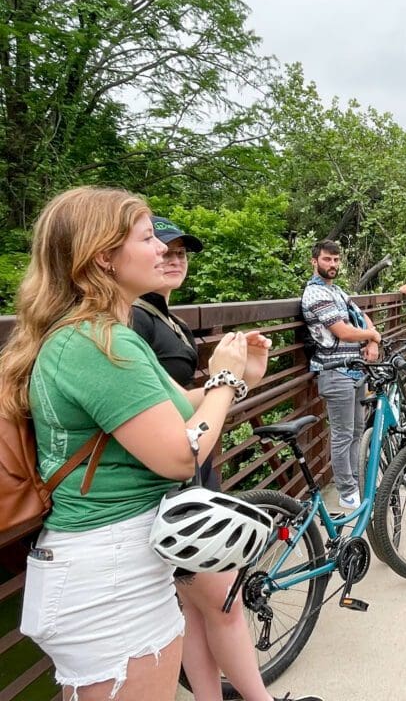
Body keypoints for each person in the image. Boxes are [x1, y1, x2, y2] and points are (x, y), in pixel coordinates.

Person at [0, 186, 269, 701]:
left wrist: (241, 378)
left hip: (115, 564)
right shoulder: (98, 342)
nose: (162, 251)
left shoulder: (99, 331)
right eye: (149, 239)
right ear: (104, 256)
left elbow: (179, 410)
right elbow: (178, 455)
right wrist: (225, 383)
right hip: (108, 573)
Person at [133, 218, 321, 701]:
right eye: (159, 246)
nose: (172, 256)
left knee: (198, 610)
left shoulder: (160, 316)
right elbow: (165, 415)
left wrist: (241, 377)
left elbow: (178, 400)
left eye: (181, 251)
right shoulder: (134, 320)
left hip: (189, 476)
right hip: (174, 478)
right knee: (225, 604)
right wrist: (222, 380)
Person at [302, 240, 381, 513]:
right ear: (314, 261)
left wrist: (373, 340)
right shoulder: (314, 294)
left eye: (336, 260)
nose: (332, 265)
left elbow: (363, 318)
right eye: (327, 260)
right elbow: (344, 332)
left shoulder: (337, 291)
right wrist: (371, 336)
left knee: (357, 429)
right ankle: (347, 492)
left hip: (355, 369)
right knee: (343, 433)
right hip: (334, 372)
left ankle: (354, 482)